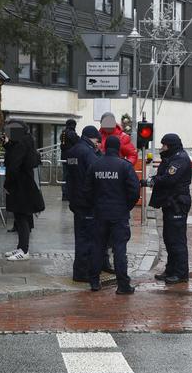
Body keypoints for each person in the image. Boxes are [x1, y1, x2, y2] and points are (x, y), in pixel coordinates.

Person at [84, 136, 140, 294]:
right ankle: (123, 285)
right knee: (119, 249)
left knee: (97, 246)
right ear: (119, 148)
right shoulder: (125, 166)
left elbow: (87, 189)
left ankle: (94, 281)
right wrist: (126, 207)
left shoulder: (95, 165)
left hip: (99, 213)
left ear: (105, 147)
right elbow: (134, 190)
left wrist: (95, 205)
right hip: (119, 214)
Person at [141, 133, 192, 285]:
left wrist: (152, 181)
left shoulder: (180, 159)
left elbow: (170, 179)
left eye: (164, 145)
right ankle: (171, 269)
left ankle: (181, 273)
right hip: (170, 203)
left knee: (177, 240)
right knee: (169, 239)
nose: (162, 148)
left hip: (177, 203)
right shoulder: (172, 157)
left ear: (171, 145)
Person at [2, 121, 45, 261]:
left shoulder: (21, 144)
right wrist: (7, 145)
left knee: (22, 218)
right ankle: (21, 247)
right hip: (23, 185)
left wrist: (7, 185)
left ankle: (24, 250)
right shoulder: (24, 141)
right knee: (21, 217)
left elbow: (13, 166)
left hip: (20, 186)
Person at [64, 125, 102, 282]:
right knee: (88, 238)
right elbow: (96, 173)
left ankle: (79, 270)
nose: (97, 143)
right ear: (92, 138)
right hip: (87, 201)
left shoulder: (72, 151)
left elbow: (69, 176)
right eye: (97, 140)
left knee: (80, 236)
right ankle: (83, 272)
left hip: (75, 199)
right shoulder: (88, 152)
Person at [60, 119, 79, 201]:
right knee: (72, 174)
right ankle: (71, 193)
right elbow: (77, 141)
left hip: (64, 157)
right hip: (72, 157)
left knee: (65, 175)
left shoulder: (63, 133)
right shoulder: (72, 133)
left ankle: (64, 194)